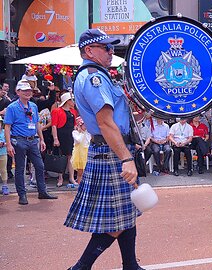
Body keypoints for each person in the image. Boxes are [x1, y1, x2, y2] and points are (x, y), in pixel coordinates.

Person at [64, 29, 144, 270]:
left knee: (126, 213)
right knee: (117, 222)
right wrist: (126, 158)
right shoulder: (92, 77)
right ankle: (80, 267)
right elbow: (105, 123)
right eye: (106, 48)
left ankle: (130, 265)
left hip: (112, 150)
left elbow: (115, 119)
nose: (111, 52)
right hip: (111, 153)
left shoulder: (100, 76)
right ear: (89, 50)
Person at [4, 80, 58, 205]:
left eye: (29, 90)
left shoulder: (33, 106)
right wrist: (9, 144)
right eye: (24, 90)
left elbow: (37, 123)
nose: (27, 93)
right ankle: (22, 194)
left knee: (40, 165)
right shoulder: (12, 107)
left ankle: (42, 191)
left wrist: (42, 139)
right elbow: (7, 127)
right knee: (20, 168)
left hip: (33, 140)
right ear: (18, 92)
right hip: (19, 140)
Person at [51, 92, 78, 187]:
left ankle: (71, 177)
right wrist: (55, 139)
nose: (73, 102)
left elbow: (74, 124)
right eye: (71, 100)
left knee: (71, 157)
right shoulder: (56, 111)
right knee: (61, 157)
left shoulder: (73, 111)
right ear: (67, 101)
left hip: (71, 135)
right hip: (61, 135)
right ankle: (60, 178)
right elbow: (54, 126)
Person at [71, 117, 91, 184]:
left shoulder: (88, 133)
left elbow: (89, 141)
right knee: (80, 172)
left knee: (88, 171)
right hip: (79, 154)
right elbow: (78, 140)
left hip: (87, 152)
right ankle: (80, 185)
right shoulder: (75, 133)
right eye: (84, 124)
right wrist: (81, 132)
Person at [0, 116, 8, 195]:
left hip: (3, 153)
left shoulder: (4, 132)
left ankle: (5, 186)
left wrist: (4, 144)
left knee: (3, 170)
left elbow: (9, 141)